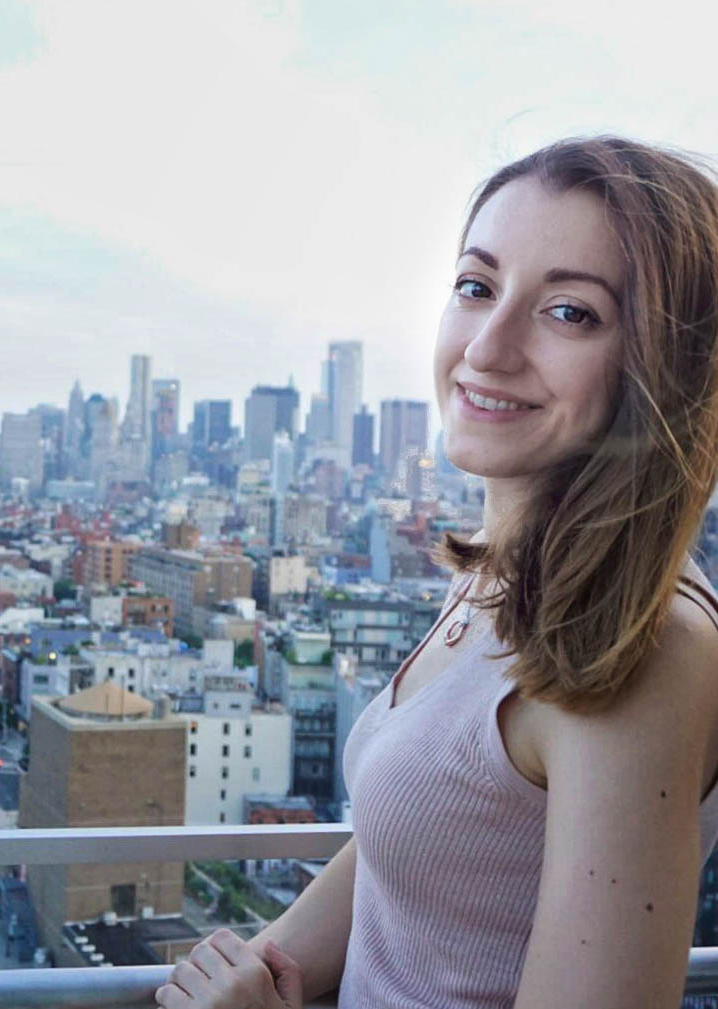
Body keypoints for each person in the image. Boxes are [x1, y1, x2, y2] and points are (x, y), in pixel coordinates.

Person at [156, 135, 718, 1009]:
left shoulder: (637, 649)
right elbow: (423, 830)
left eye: (569, 311)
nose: (487, 347)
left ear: (660, 367)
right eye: (476, 286)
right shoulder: (508, 577)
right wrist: (255, 968)